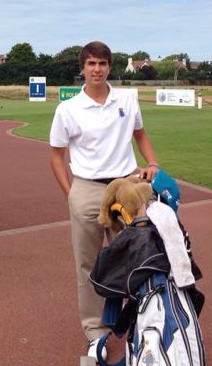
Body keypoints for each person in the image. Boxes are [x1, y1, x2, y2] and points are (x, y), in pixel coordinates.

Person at [49, 41, 160, 358]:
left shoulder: (127, 98)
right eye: (91, 64)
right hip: (86, 188)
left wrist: (153, 163)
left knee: (136, 258)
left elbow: (140, 133)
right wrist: (70, 193)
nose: (96, 69)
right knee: (88, 264)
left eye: (102, 63)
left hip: (125, 186)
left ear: (110, 67)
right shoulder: (68, 109)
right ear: (82, 68)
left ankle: (139, 323)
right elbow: (57, 156)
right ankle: (95, 331)